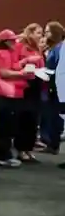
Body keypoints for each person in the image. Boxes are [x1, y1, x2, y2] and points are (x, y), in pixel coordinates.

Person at [0, 29, 30, 167]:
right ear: (6, 42)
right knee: (5, 125)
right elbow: (4, 72)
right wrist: (22, 73)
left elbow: (11, 67)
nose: (15, 42)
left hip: (5, 92)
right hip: (3, 93)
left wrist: (23, 64)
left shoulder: (6, 53)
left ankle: (5, 155)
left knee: (7, 124)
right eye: (12, 40)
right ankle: (3, 156)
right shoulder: (3, 53)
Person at [13, 23, 45, 162]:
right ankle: (21, 149)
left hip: (37, 83)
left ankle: (29, 148)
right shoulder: (21, 46)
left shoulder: (37, 49)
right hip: (25, 84)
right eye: (38, 33)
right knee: (24, 117)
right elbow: (15, 64)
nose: (41, 36)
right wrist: (27, 61)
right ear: (30, 33)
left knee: (33, 118)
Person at [41, 21, 64, 153]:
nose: (45, 34)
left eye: (48, 31)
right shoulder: (55, 48)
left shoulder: (58, 49)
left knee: (54, 115)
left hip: (56, 86)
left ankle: (52, 143)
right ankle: (52, 143)